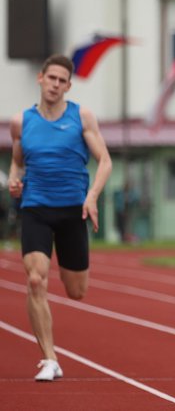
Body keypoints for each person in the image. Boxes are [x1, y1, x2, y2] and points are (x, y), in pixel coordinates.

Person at [8, 54, 112, 381]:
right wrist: (14, 180)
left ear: (68, 85)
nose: (55, 84)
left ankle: (51, 353)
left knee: (76, 290)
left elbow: (105, 161)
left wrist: (92, 196)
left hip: (72, 210)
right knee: (36, 278)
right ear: (40, 78)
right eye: (50, 78)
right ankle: (49, 359)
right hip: (36, 207)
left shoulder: (82, 117)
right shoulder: (21, 122)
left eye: (61, 80)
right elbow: (17, 161)